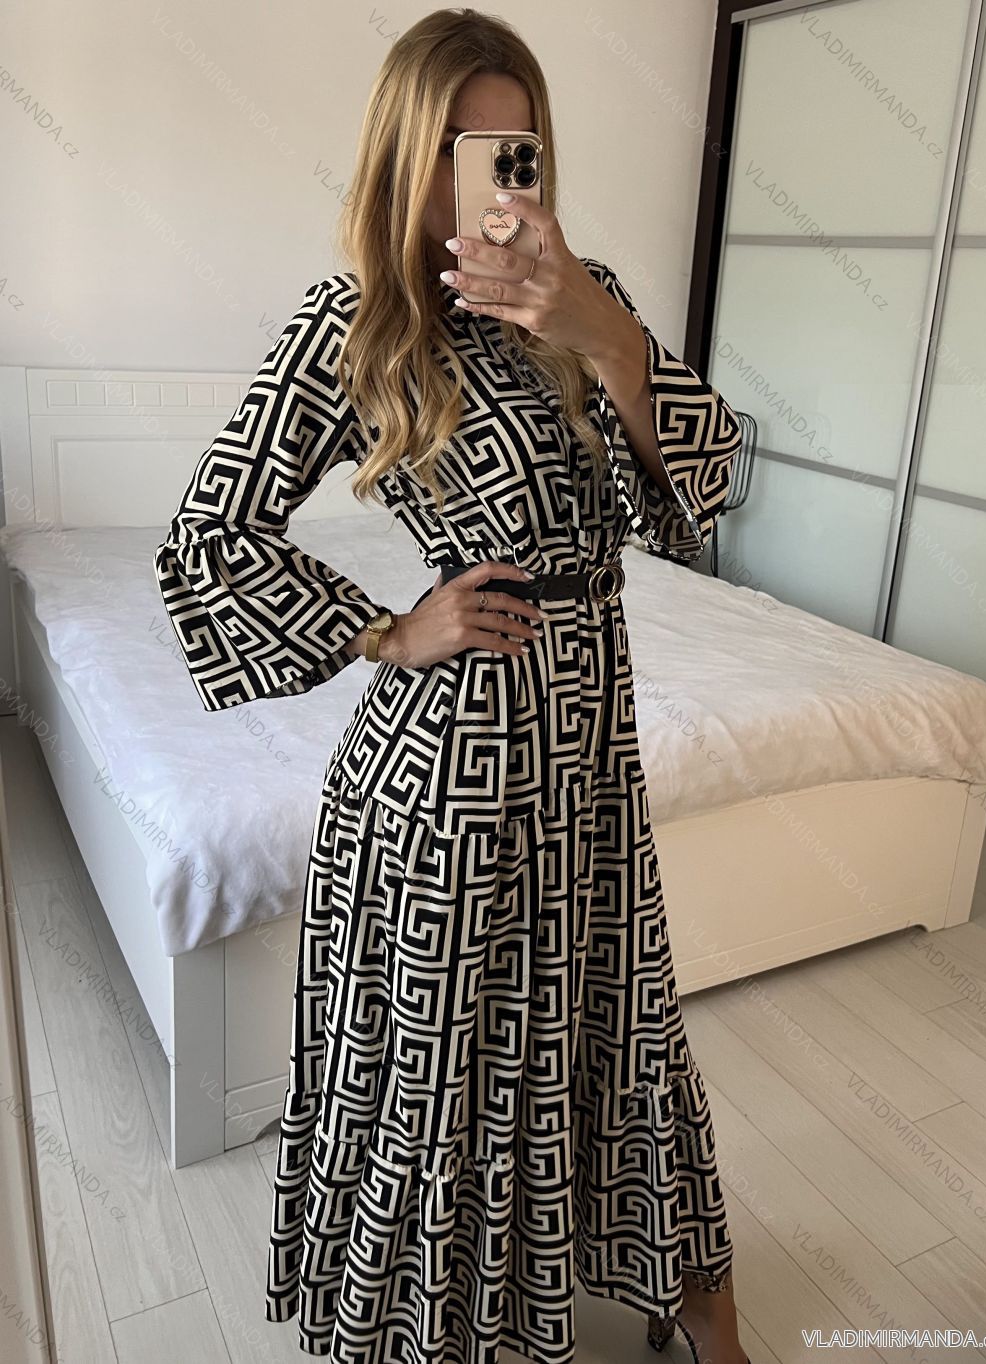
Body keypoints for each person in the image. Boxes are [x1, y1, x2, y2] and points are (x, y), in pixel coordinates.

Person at [152, 9, 750, 1364]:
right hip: (448, 777)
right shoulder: (358, 322)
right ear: (406, 154)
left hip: (589, 753)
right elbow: (208, 536)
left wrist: (605, 333)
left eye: (515, 148)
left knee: (618, 1020)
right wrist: (386, 629)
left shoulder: (588, 300)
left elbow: (700, 500)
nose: (493, 180)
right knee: (453, 1066)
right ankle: (452, 1325)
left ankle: (693, 1290)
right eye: (460, 148)